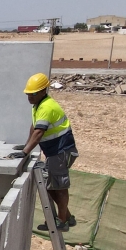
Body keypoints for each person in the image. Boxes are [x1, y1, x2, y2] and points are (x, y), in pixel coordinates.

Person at [21, 73, 79, 232]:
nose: (29, 97)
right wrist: (25, 147)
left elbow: (39, 132)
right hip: (54, 152)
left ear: (42, 91)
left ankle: (62, 222)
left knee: (59, 188)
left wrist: (25, 152)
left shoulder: (46, 107)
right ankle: (67, 216)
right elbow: (34, 128)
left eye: (32, 94)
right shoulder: (38, 105)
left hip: (61, 152)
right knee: (50, 186)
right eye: (28, 94)